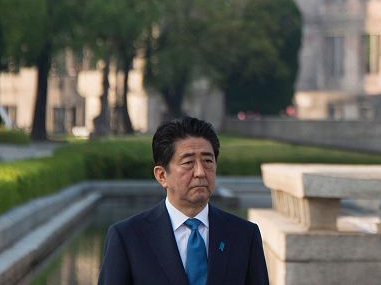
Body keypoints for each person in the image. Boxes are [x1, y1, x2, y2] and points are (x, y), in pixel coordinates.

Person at [98, 116, 269, 285]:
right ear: (162, 175)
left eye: (208, 161)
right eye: (188, 162)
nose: (201, 172)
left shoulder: (244, 235)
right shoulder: (128, 237)